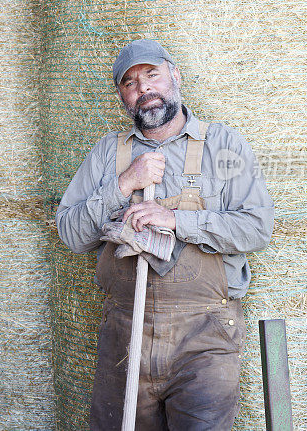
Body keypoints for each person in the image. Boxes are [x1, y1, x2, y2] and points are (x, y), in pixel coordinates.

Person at [55, 39, 274, 430]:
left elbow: (257, 228)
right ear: (122, 95)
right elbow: (71, 234)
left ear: (174, 75)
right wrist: (122, 184)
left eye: (151, 75)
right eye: (130, 83)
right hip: (126, 338)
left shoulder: (222, 144)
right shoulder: (108, 152)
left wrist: (178, 221)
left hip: (203, 337)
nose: (143, 89)